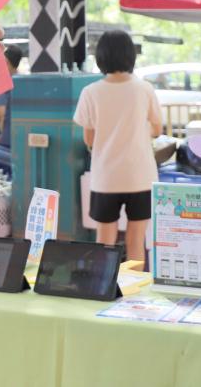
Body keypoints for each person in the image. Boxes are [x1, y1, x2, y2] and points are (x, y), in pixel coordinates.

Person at [73, 31, 163, 262]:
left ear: (100, 57)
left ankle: (102, 281)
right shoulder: (144, 89)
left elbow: (89, 139)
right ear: (130, 56)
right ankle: (136, 285)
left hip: (106, 177)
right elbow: (157, 129)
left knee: (104, 241)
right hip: (140, 176)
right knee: (136, 240)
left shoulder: (90, 92)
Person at [0, 44, 22, 176]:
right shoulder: (23, 81)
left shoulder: (2, 81)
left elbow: (0, 114)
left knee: (3, 180)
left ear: (6, 62)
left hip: (5, 142)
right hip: (21, 139)